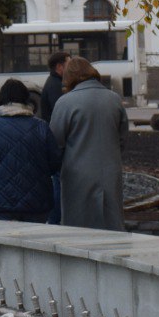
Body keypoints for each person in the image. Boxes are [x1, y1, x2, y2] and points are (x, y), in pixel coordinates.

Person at [50, 56, 129, 230]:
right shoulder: (114, 99)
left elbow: (55, 144)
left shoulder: (65, 103)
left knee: (79, 229)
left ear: (69, 77)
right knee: (111, 225)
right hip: (110, 172)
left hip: (76, 177)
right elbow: (122, 138)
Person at [0, 78, 62, 222]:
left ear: (1, 99)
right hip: (36, 204)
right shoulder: (41, 127)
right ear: (26, 100)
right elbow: (55, 164)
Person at [39, 50, 69, 224]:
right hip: (57, 143)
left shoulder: (53, 83)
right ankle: (56, 220)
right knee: (58, 183)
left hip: (54, 140)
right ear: (59, 67)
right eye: (68, 63)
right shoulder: (56, 86)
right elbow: (61, 115)